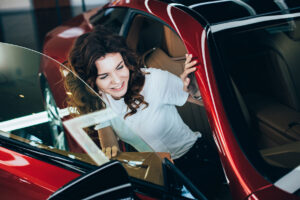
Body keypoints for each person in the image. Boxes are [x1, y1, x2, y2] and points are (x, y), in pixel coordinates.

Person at [67, 25, 223, 197]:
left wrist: (196, 91)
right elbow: (110, 148)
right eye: (104, 76)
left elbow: (205, 103)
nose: (117, 81)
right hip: (156, 171)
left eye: (120, 67)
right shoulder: (99, 99)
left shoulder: (154, 80)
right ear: (91, 81)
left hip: (195, 161)